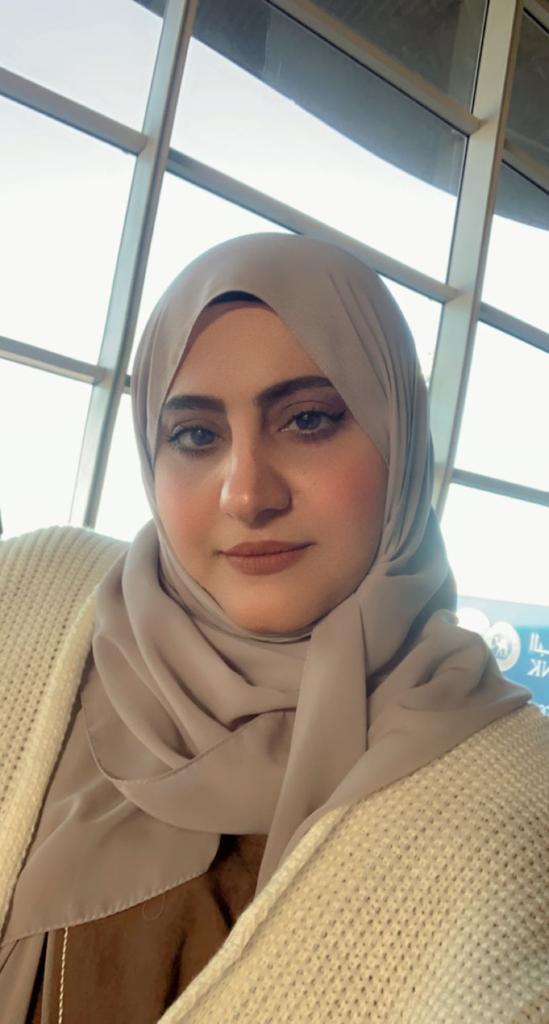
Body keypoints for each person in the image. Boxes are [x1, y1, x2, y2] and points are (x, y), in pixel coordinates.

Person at [0, 233, 548, 1024]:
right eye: (196, 436)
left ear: (398, 440)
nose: (247, 495)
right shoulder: (30, 611)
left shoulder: (511, 808)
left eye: (308, 420)